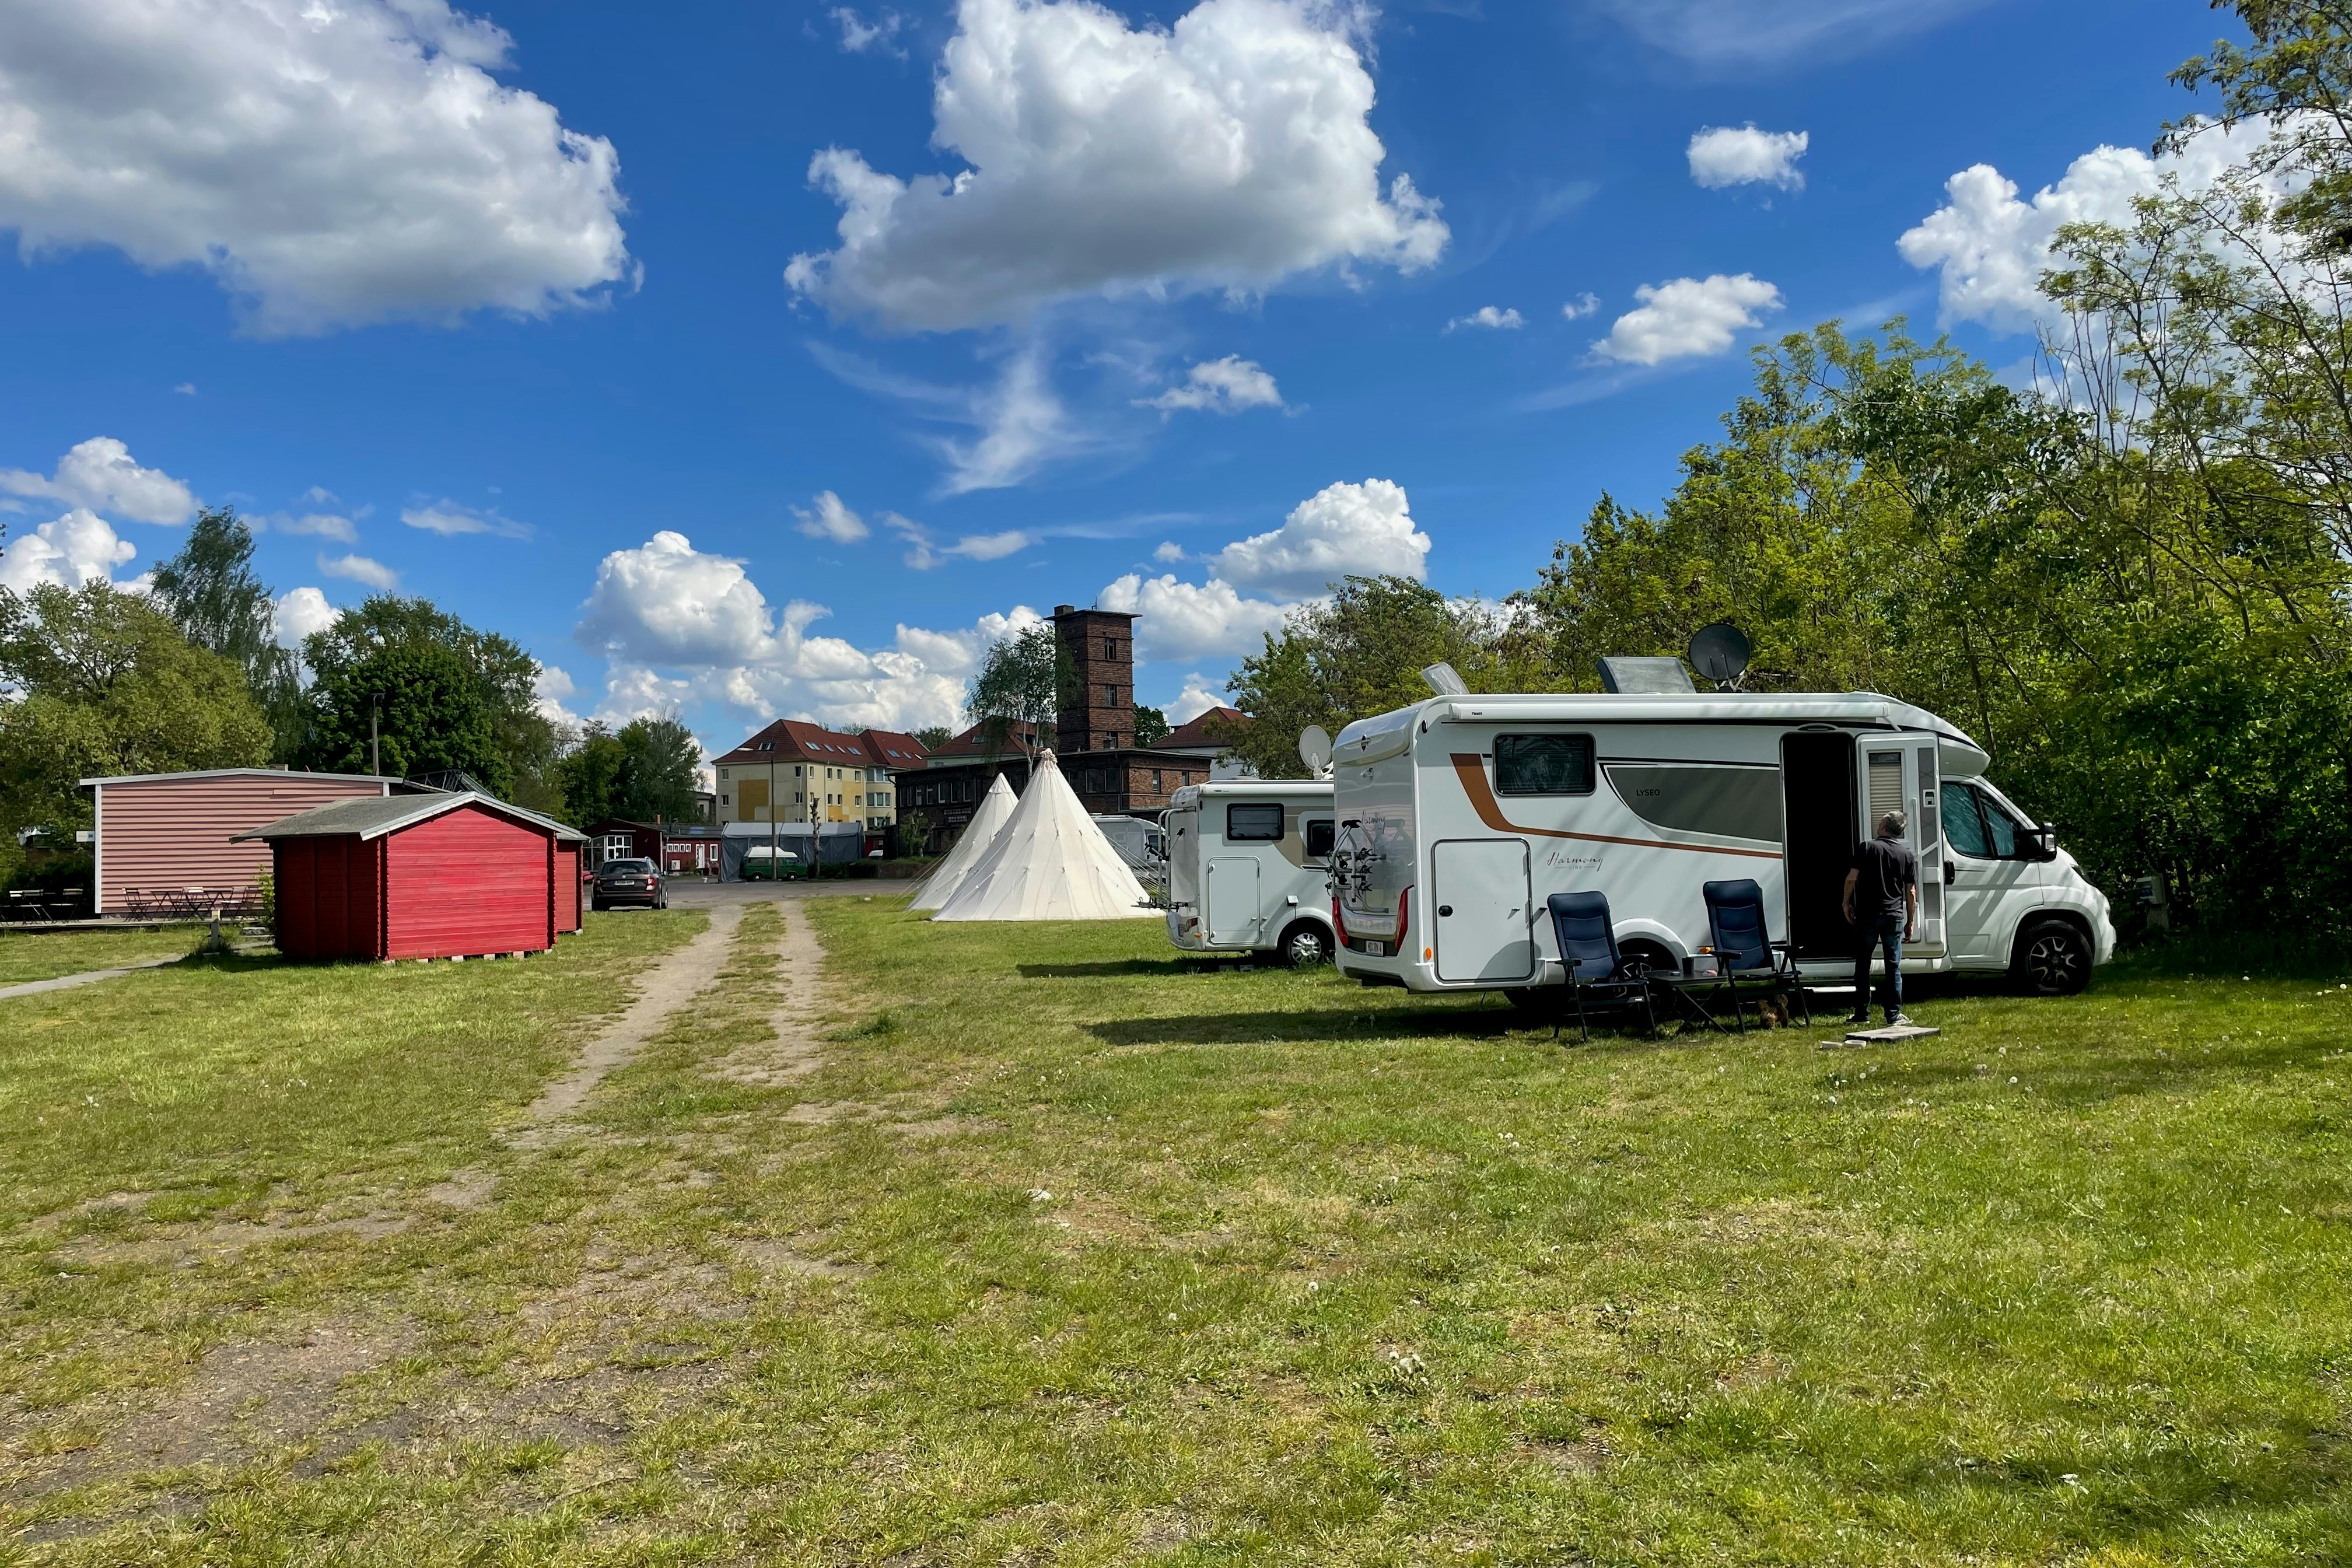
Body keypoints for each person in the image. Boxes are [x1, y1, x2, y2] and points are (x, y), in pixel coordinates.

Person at [1843, 810, 1918, 1027]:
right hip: (1893, 916)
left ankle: (1861, 1014)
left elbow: (1852, 879)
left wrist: (1846, 903)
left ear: (1885, 824)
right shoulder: (1906, 854)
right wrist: (1910, 921)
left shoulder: (1867, 847)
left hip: (1867, 915)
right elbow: (1910, 892)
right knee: (1893, 966)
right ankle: (1893, 1015)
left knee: (1863, 964)